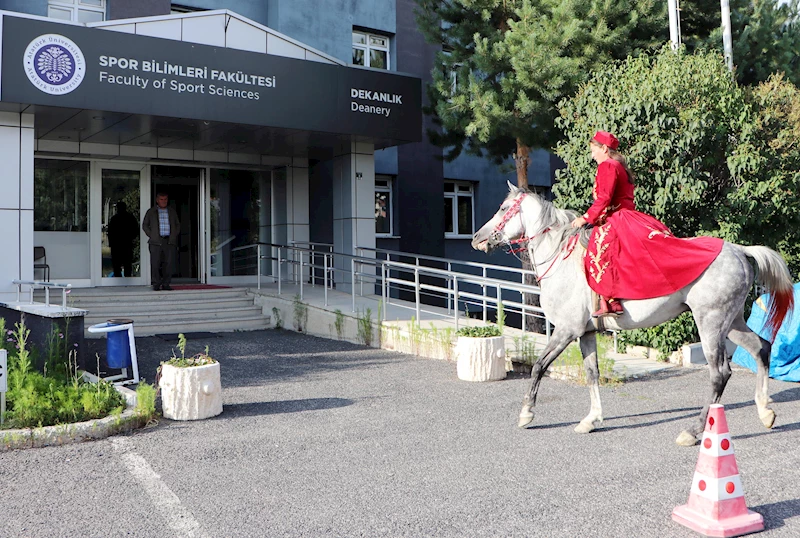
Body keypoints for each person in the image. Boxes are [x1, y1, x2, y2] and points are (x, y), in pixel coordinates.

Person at [570, 131, 723, 317]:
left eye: (594, 150)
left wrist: (584, 218)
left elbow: (604, 198)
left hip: (617, 217)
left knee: (600, 245)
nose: (592, 155)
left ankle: (612, 301)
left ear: (604, 148)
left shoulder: (608, 166)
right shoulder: (619, 165)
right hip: (628, 215)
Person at [142, 192, 180, 291]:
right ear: (157, 200)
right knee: (155, 264)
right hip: (155, 242)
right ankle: (156, 284)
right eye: (161, 199)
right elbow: (145, 225)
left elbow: (177, 225)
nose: (163, 201)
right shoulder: (151, 212)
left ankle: (166, 284)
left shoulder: (171, 211)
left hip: (169, 241)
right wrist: (152, 235)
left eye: (165, 199)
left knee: (168, 264)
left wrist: (173, 235)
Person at [107, 201, 139, 278]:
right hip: (126, 244)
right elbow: (136, 230)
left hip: (117, 245)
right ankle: (127, 279)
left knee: (117, 264)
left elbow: (110, 232)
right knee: (127, 263)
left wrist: (111, 243)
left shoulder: (114, 219)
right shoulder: (130, 218)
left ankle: (118, 279)